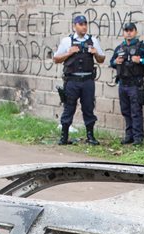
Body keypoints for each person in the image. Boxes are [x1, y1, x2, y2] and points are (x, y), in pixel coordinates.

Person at [53, 14, 106, 146]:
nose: (84, 27)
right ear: (74, 26)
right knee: (69, 107)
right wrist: (69, 53)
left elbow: (102, 59)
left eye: (85, 24)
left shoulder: (93, 40)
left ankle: (90, 136)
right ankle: (64, 136)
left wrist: (96, 53)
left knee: (88, 108)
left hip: (88, 80)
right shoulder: (67, 41)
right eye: (81, 24)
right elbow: (56, 59)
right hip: (72, 80)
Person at [109, 22, 144, 145]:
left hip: (135, 85)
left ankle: (138, 138)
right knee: (125, 111)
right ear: (123, 33)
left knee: (136, 112)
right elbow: (111, 62)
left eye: (131, 30)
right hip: (122, 84)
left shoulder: (142, 47)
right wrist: (116, 61)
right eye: (126, 30)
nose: (129, 33)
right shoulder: (119, 48)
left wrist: (141, 60)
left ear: (135, 32)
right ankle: (129, 136)